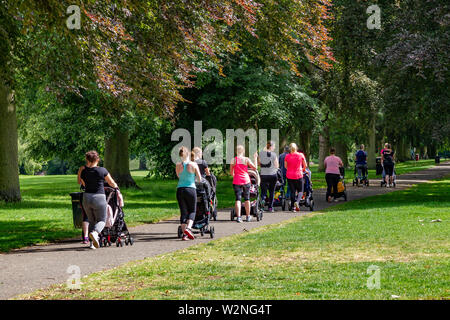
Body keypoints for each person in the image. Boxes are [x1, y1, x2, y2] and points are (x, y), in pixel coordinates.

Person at [79, 150, 118, 249]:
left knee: (91, 221)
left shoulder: (83, 170)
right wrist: (117, 188)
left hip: (86, 197)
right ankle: (96, 233)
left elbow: (81, 182)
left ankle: (92, 244)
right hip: (99, 197)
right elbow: (111, 182)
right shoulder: (102, 170)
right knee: (102, 220)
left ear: (87, 159)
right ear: (98, 159)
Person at [176, 146, 202, 241]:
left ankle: (184, 235)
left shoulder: (178, 165)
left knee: (183, 212)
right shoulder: (193, 164)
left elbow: (179, 176)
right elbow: (199, 178)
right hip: (190, 189)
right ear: (188, 154)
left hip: (180, 190)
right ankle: (188, 228)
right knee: (192, 211)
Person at [230, 145, 257, 222]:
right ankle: (248, 216)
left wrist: (235, 175)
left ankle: (239, 217)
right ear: (243, 151)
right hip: (246, 180)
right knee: (247, 198)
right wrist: (255, 158)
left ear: (236, 151)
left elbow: (231, 172)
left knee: (238, 199)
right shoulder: (246, 159)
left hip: (237, 180)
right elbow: (254, 168)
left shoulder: (233, 160)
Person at [284, 143, 308, 212]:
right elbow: (305, 165)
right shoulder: (301, 155)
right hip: (298, 174)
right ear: (296, 148)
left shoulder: (287, 156)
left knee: (292, 191)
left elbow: (286, 166)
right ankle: (297, 202)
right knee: (300, 190)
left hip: (289, 175)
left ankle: (292, 208)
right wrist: (302, 170)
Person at [257, 141, 279, 213]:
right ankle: (270, 207)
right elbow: (276, 165)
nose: (274, 148)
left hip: (263, 175)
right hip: (272, 175)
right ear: (271, 146)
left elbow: (259, 163)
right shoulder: (274, 154)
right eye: (274, 146)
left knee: (263, 191)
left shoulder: (260, 154)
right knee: (272, 191)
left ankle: (262, 203)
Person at [192, 147, 212, 214]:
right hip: (202, 181)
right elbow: (208, 173)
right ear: (198, 154)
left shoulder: (191, 162)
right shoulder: (203, 162)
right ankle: (208, 201)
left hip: (193, 181)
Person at [77, 166, 90, 244]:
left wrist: (79, 172)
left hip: (85, 195)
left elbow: (79, 182)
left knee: (86, 216)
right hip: (98, 195)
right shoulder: (99, 170)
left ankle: (85, 236)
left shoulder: (82, 169)